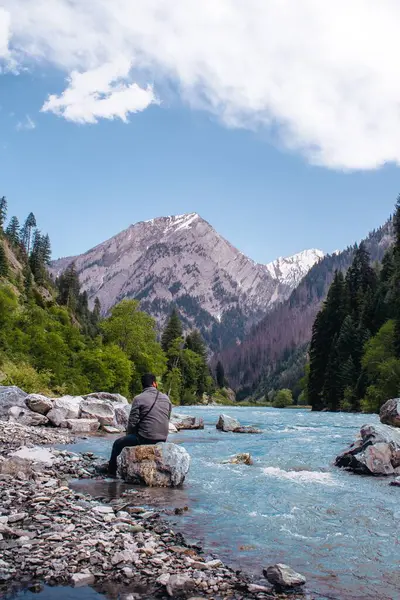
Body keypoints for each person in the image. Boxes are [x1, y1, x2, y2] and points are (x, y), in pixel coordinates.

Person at [106, 373, 172, 476]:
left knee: (117, 444)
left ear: (143, 385)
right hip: (163, 438)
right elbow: (167, 418)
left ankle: (111, 473)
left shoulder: (138, 398)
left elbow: (132, 422)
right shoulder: (166, 398)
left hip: (145, 438)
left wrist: (130, 435)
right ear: (154, 384)